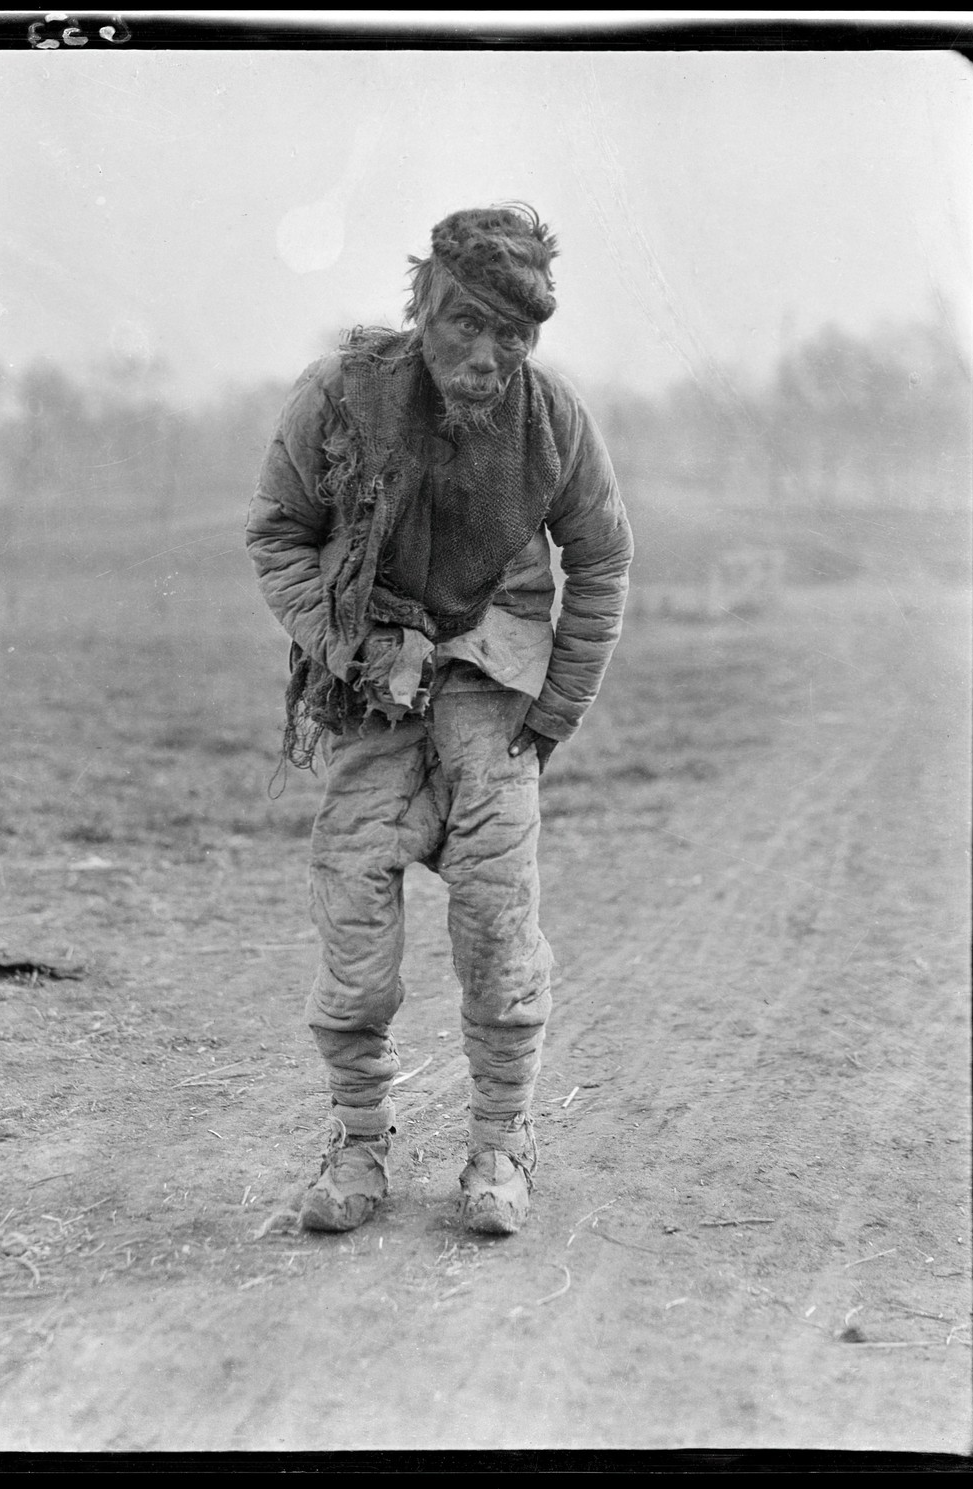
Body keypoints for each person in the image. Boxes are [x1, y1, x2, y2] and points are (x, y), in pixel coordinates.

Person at [245, 203, 632, 1236]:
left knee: (499, 926)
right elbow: (279, 533)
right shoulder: (341, 396)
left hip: (493, 699)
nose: (485, 353)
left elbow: (601, 558)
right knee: (354, 921)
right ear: (424, 303)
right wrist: (344, 644)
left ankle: (502, 1145)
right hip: (373, 695)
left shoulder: (553, 421)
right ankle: (360, 1139)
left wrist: (558, 707)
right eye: (465, 321)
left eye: (513, 334)